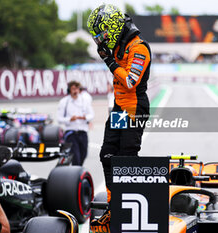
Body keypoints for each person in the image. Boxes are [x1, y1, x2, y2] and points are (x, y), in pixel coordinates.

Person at [87, 3, 151, 228]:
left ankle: (132, 209)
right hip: (120, 108)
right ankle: (115, 209)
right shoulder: (119, 45)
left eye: (102, 35)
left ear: (113, 28)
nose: (100, 41)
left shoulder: (139, 48)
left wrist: (110, 61)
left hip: (135, 107)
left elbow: (131, 81)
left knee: (126, 158)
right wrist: (110, 58)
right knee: (107, 154)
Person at [57, 80, 94, 166]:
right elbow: (59, 119)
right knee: (75, 156)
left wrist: (85, 117)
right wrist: (70, 119)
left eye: (77, 88)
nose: (75, 91)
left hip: (83, 131)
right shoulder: (64, 102)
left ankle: (77, 172)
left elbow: (91, 114)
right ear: (69, 90)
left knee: (83, 154)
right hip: (71, 132)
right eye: (73, 89)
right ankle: (76, 174)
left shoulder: (84, 100)